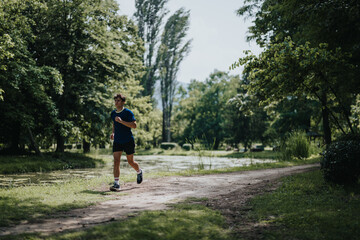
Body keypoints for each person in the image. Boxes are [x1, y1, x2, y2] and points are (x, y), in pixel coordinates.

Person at [110, 93, 142, 191]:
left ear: (123, 102)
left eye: (118, 100)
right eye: (115, 100)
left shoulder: (128, 113)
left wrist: (121, 121)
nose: (116, 102)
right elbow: (114, 125)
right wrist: (113, 133)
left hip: (128, 140)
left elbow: (134, 125)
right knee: (116, 161)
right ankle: (116, 184)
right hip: (117, 141)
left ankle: (139, 171)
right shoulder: (113, 113)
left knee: (130, 161)